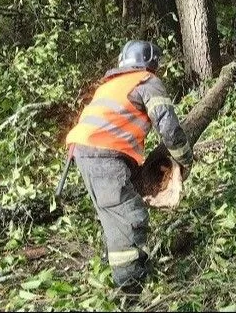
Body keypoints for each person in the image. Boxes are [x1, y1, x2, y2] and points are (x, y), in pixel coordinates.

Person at [64, 40, 194, 291]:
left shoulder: (111, 85)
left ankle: (114, 264)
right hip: (105, 155)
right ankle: (130, 287)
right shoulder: (146, 81)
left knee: (113, 212)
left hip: (84, 153)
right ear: (151, 63)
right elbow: (168, 126)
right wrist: (185, 159)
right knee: (130, 216)